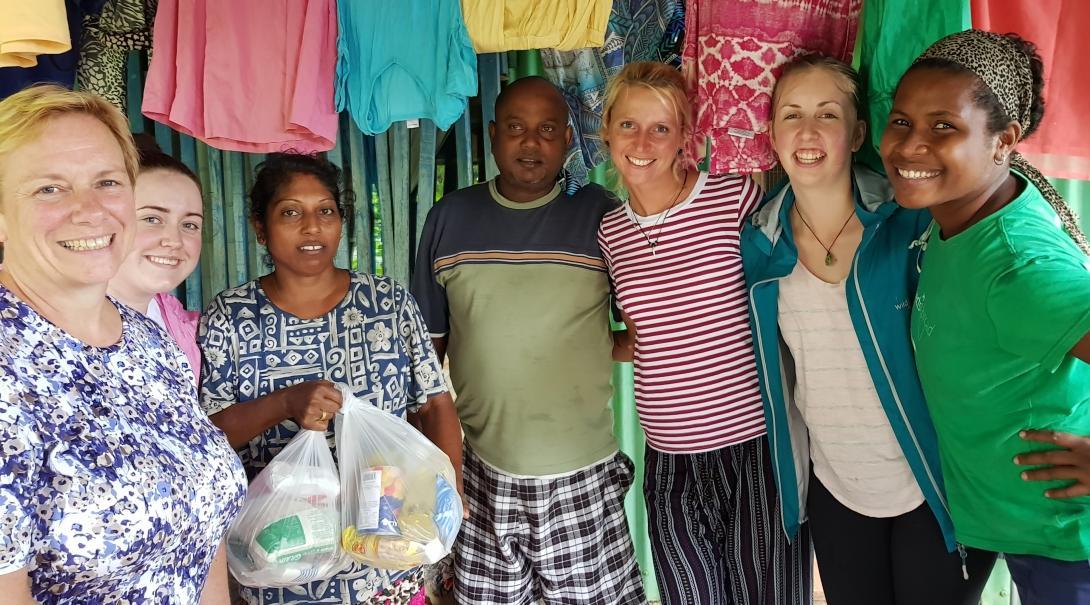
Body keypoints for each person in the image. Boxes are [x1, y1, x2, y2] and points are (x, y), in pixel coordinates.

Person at [740, 54, 996, 605]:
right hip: (838, 489)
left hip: (933, 484)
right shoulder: (759, 242)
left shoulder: (910, 222)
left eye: (827, 115)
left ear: (858, 132)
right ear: (772, 133)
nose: (808, 132)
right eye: (792, 115)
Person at [0, 85, 245, 603]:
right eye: (49, 188)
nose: (90, 211)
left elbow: (202, 536)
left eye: (107, 183)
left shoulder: (147, 342)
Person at [411, 76, 645, 605]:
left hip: (582, 471)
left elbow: (645, 328)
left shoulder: (602, 215)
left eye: (546, 130)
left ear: (568, 138)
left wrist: (587, 345)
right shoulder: (450, 218)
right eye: (516, 128)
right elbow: (428, 355)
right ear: (493, 135)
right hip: (482, 472)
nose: (531, 143)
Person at [881, 30, 1090, 604]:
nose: (909, 146)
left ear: (1003, 142)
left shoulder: (1017, 268)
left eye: (943, 126)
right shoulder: (961, 219)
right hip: (1026, 530)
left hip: (1068, 543)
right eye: (901, 121)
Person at [199, 152, 462, 605]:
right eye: (290, 213)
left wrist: (450, 492)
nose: (311, 227)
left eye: (325, 211)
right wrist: (283, 404)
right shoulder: (230, 314)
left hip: (386, 557)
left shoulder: (388, 303)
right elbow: (209, 435)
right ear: (261, 228)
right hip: (283, 561)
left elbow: (434, 404)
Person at [596, 61, 810, 605]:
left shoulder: (733, 200)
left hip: (752, 447)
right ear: (607, 133)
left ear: (685, 138)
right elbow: (644, 335)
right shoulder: (610, 234)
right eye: (628, 125)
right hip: (669, 457)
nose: (642, 142)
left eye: (660, 128)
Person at [108, 136, 204, 383]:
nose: (174, 240)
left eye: (190, 224)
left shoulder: (189, 329)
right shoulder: (49, 323)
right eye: (152, 219)